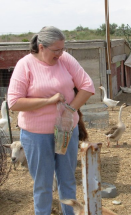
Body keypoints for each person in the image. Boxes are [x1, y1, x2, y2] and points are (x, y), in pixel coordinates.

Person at [7, 26, 95, 215]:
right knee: (43, 184)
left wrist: (70, 110)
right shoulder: (25, 65)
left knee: (67, 180)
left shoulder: (65, 59)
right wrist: (48, 101)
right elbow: (14, 102)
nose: (60, 53)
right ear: (41, 47)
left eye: (62, 49)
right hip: (36, 135)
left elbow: (87, 86)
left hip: (66, 131)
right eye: (56, 50)